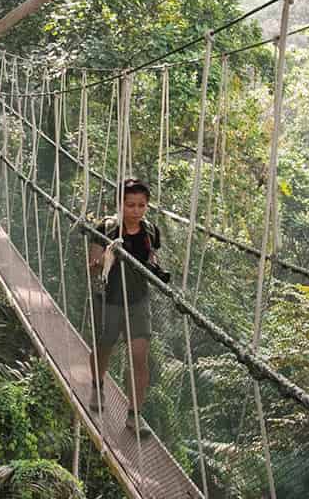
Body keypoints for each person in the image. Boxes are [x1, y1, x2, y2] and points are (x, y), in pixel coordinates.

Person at [87, 178, 167, 436]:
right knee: (104, 347)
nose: (135, 210)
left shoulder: (150, 231)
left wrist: (157, 270)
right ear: (120, 204)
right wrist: (107, 256)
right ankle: (98, 386)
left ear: (147, 206)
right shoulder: (106, 228)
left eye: (141, 205)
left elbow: (151, 258)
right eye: (130, 205)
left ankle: (134, 415)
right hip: (108, 300)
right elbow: (93, 266)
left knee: (139, 358)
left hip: (138, 301)